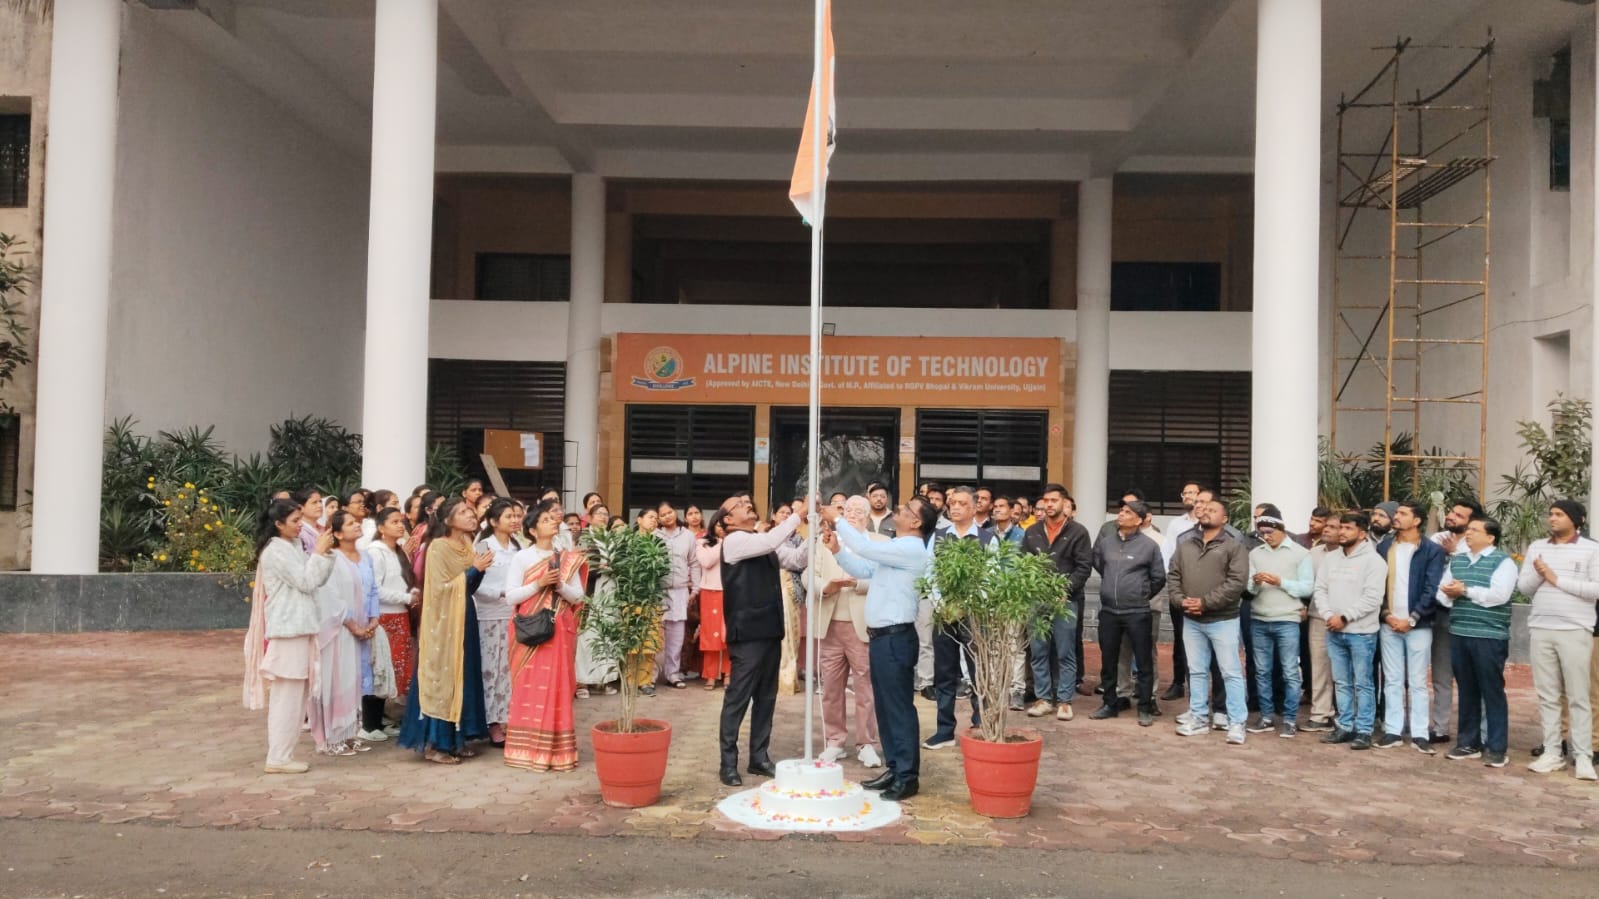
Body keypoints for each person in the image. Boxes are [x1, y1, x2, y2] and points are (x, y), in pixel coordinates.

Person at [823, 494, 938, 801]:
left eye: (907, 509)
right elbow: (865, 568)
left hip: (895, 638)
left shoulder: (911, 548)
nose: (899, 509)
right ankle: (896, 768)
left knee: (898, 708)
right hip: (883, 638)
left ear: (916, 522)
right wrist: (837, 551)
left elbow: (865, 548)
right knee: (886, 708)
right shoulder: (897, 547)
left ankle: (907, 776)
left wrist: (837, 520)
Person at [715, 495, 808, 786]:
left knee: (766, 698)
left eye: (747, 501)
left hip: (769, 628)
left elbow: (796, 560)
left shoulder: (760, 540)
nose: (747, 503)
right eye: (739, 504)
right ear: (727, 519)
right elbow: (770, 542)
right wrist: (798, 514)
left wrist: (815, 535)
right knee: (738, 698)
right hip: (747, 633)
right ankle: (728, 763)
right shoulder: (734, 541)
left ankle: (759, 757)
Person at [398, 497, 495, 765]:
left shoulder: (468, 543)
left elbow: (469, 586)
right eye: (462, 512)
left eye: (469, 511)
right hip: (444, 622)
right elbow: (440, 589)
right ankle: (436, 743)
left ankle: (457, 739)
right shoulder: (438, 547)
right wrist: (474, 569)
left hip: (465, 616)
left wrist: (479, 570)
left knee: (464, 674)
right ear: (448, 520)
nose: (470, 515)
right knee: (443, 676)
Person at [243, 499, 335, 774]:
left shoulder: (292, 546)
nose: (299, 526)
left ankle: (283, 754)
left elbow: (316, 579)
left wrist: (324, 555)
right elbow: (306, 581)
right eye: (295, 521)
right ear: (278, 524)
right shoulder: (275, 551)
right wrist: (319, 553)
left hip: (300, 626)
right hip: (288, 628)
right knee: (288, 696)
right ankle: (278, 757)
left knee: (297, 696)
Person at [499, 500, 588, 772]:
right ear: (533, 529)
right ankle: (525, 751)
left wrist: (559, 585)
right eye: (546, 519)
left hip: (558, 629)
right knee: (529, 685)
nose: (553, 522)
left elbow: (578, 596)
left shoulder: (566, 558)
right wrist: (538, 584)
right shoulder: (522, 558)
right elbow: (510, 596)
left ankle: (557, 753)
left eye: (553, 519)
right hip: (529, 629)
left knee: (558, 686)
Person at [1518, 500, 1599, 781]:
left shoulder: (1591, 549)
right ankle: (1552, 752)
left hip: (1575, 629)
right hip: (1541, 627)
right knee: (1548, 695)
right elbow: (1524, 587)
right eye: (1551, 514)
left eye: (1559, 514)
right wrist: (1540, 575)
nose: (1552, 518)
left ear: (1576, 520)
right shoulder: (1538, 547)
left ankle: (1583, 755)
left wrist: (1555, 578)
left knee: (1579, 695)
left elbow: (1596, 589)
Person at [808, 496, 883, 768]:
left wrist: (858, 584)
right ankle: (835, 741)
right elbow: (809, 575)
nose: (852, 514)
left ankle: (866, 743)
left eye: (858, 511)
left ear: (868, 516)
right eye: (847, 509)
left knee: (865, 686)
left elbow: (885, 579)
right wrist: (826, 587)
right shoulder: (825, 540)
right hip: (830, 623)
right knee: (831, 687)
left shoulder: (879, 542)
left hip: (862, 623)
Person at [1169, 499, 1250, 743]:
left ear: (1225, 519)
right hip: (1191, 619)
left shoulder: (1234, 547)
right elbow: (1173, 576)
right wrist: (1181, 601)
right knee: (1196, 671)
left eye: (1212, 510)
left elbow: (1236, 583)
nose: (1205, 512)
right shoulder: (1185, 545)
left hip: (1223, 620)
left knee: (1230, 672)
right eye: (1204, 509)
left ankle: (1237, 722)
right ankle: (1199, 718)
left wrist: (1205, 603)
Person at [1439, 517, 1518, 768]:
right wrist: (1450, 593)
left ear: (1490, 537)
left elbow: (1499, 595)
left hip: (1489, 635)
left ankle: (1496, 748)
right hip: (1460, 631)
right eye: (1469, 529)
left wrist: (1465, 591)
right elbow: (1442, 592)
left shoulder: (1503, 562)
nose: (1468, 533)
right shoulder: (1458, 560)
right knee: (1467, 689)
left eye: (1475, 530)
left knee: (1492, 691)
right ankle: (1468, 743)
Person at [1374, 500, 1447, 751]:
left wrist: (1413, 618)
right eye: (1397, 513)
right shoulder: (1385, 546)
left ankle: (1419, 733)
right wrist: (1386, 615)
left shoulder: (1431, 550)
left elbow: (1432, 587)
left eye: (1403, 513)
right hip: (1389, 623)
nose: (1397, 516)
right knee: (1391, 679)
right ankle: (1393, 730)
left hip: (1419, 625)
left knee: (1417, 681)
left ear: (1416, 521)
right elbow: (1378, 585)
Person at [1313, 511, 1387, 750]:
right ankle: (1344, 725)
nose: (1342, 532)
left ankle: (1363, 730)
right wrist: (1328, 615)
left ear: (1362, 533)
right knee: (1341, 681)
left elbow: (1373, 598)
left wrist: (1344, 617)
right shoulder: (1331, 559)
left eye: (1348, 528)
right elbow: (1320, 589)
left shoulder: (1374, 561)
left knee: (1363, 683)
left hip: (1361, 632)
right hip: (1333, 629)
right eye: (1341, 527)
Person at [1089, 500, 1166, 726]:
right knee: (1109, 660)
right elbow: (1100, 565)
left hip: (1137, 612)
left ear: (1139, 520)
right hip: (1109, 611)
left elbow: (1158, 578)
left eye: (1127, 512)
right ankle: (1109, 704)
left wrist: (1140, 594)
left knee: (1143, 661)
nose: (1121, 515)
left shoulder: (1149, 546)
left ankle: (1144, 707)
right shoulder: (1107, 543)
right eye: (1121, 511)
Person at [1021, 484, 1092, 723]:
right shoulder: (1032, 531)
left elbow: (1083, 567)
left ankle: (1064, 701)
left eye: (1054, 500)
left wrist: (1065, 589)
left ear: (1064, 503)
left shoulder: (1078, 532)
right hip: (1037, 600)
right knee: (1038, 651)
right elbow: (1024, 564)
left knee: (1065, 652)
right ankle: (1043, 699)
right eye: (1046, 500)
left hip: (1066, 601)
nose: (1049, 505)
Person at [924, 486, 986, 747]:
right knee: (944, 672)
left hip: (974, 615)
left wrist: (966, 604)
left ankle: (981, 724)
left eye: (962, 503)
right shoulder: (938, 536)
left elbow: (990, 576)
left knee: (979, 670)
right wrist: (942, 604)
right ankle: (944, 730)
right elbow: (929, 572)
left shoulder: (987, 539)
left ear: (974, 507)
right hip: (943, 615)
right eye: (953, 503)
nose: (956, 507)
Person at [1245, 508, 1313, 738]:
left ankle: (1290, 719)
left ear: (1281, 529)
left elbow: (1307, 587)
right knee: (1262, 672)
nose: (1266, 536)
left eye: (1270, 532)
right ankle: (1266, 717)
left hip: (1287, 619)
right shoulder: (1256, 554)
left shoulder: (1301, 553)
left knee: (1290, 672)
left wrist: (1280, 582)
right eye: (1262, 533)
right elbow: (1249, 589)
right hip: (1260, 618)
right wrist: (1255, 583)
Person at [309, 511, 371, 756]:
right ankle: (331, 738)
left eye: (356, 522)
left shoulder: (352, 558)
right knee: (334, 681)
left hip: (352, 629)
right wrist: (352, 624)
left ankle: (348, 733)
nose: (356, 525)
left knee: (350, 680)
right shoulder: (331, 558)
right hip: (335, 630)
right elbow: (330, 597)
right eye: (350, 523)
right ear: (336, 533)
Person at [1428, 496, 1485, 744]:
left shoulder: (1478, 544)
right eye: (1452, 512)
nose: (1451, 516)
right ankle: (1440, 728)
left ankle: (1478, 732)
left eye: (1459, 515)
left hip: (1468, 614)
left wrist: (1453, 553)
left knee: (1472, 675)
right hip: (1440, 613)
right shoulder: (1437, 539)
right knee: (1441, 673)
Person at [473, 499, 522, 746]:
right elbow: (474, 582)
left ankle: (506, 718)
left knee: (508, 671)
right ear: (493, 521)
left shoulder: (517, 545)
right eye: (508, 516)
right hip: (488, 615)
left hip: (512, 615)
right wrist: (501, 593)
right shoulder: (483, 545)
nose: (515, 520)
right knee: (490, 670)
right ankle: (491, 722)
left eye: (516, 516)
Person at [367, 506, 420, 720]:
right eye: (394, 522)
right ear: (381, 528)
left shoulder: (398, 551)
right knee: (382, 666)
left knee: (398, 666)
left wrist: (412, 593)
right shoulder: (375, 552)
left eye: (401, 522)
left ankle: (385, 716)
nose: (400, 526)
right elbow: (375, 589)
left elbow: (402, 582)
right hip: (384, 617)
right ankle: (373, 721)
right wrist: (406, 598)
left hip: (400, 615)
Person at [1159, 481, 1204, 700]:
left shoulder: (1209, 522)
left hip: (1204, 590)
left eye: (1192, 493)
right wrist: (1174, 583)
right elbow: (1168, 554)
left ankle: (1200, 685)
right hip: (1180, 588)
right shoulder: (1176, 524)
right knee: (1180, 636)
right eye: (1185, 493)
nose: (1188, 496)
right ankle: (1178, 682)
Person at [1300, 519, 1344, 732]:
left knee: (1346, 670)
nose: (1326, 529)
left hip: (1349, 620)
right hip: (1318, 617)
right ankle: (1320, 714)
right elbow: (1307, 584)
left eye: (1333, 527)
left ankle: (1347, 715)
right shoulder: (1314, 553)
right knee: (1319, 668)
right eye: (1326, 526)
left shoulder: (1356, 555)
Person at [655, 501, 702, 689]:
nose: (667, 516)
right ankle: (651, 675)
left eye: (669, 512)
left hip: (681, 590)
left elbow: (694, 563)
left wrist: (696, 589)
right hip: (658, 591)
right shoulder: (654, 536)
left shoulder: (688, 536)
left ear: (675, 512)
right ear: (658, 519)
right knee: (656, 634)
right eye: (662, 514)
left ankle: (672, 674)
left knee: (676, 635)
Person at [697, 510, 732, 689]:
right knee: (710, 635)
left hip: (729, 591)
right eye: (719, 525)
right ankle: (710, 675)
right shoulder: (702, 542)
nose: (722, 529)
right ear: (712, 525)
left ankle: (728, 674)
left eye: (725, 526)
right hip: (709, 592)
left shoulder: (735, 543)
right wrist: (723, 543)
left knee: (727, 635)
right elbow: (707, 561)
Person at [291, 488, 324, 555]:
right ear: (301, 507)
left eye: (320, 501)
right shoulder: (300, 533)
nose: (320, 505)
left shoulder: (324, 528)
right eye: (314, 502)